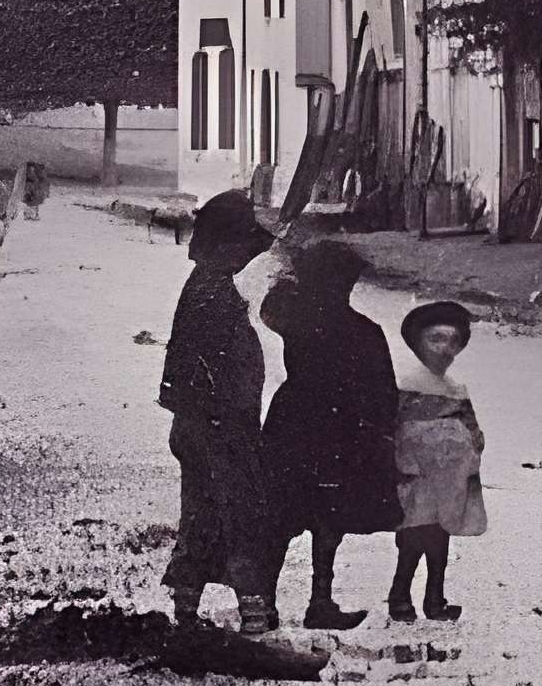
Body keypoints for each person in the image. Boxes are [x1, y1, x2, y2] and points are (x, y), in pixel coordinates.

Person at [259, 238, 402, 632]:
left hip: (293, 424)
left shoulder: (297, 321)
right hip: (340, 433)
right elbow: (383, 393)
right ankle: (319, 601)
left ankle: (266, 605)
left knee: (283, 517)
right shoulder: (363, 332)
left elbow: (269, 307)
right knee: (328, 518)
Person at [159, 191, 282, 638]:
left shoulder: (204, 287)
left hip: (204, 425)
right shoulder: (212, 294)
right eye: (240, 249)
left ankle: (186, 609)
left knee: (200, 513)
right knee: (240, 515)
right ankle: (252, 613)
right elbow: (209, 367)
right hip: (220, 428)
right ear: (226, 247)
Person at [388, 299, 489, 624]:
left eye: (452, 342)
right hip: (416, 477)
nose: (445, 349)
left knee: (439, 540)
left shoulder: (456, 390)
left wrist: (469, 451)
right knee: (414, 538)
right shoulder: (404, 385)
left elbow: (474, 431)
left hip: (449, 481)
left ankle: (435, 599)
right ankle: (401, 596)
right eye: (436, 339)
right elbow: (393, 428)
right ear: (418, 342)